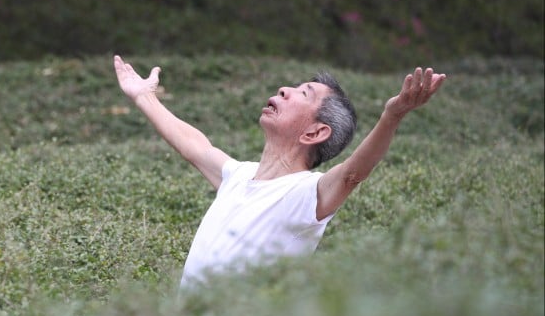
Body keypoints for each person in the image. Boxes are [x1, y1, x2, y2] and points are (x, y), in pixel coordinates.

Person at [112, 54, 447, 288]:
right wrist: (145, 97)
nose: (285, 89)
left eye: (304, 93)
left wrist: (392, 116)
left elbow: (351, 174)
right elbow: (195, 146)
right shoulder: (239, 176)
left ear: (314, 133)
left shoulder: (305, 194)